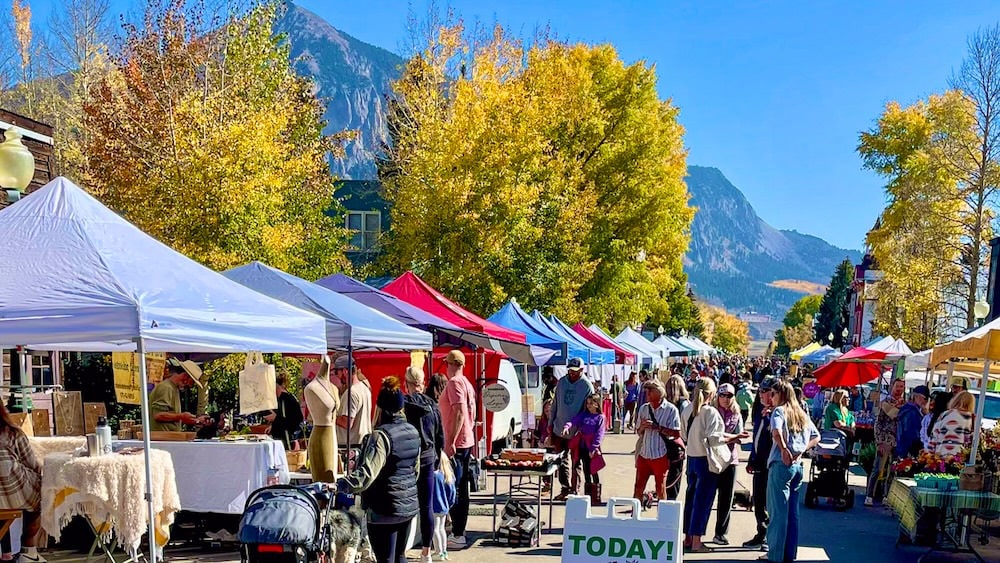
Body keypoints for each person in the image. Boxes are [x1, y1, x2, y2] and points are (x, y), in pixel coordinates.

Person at [338, 377, 420, 563]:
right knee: (400, 556)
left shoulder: (381, 436)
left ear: (380, 408)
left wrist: (341, 484)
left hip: (384, 508)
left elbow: (367, 475)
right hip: (407, 506)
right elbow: (416, 470)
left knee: (385, 559)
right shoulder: (412, 431)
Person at [681, 377, 740, 553]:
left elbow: (684, 435)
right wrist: (735, 437)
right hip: (705, 460)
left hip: (691, 458)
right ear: (712, 393)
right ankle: (697, 541)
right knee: (702, 501)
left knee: (690, 500)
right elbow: (715, 438)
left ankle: (688, 538)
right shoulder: (710, 412)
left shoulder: (687, 409)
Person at [764, 380, 820, 563]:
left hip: (782, 464)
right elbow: (816, 436)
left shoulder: (779, 411)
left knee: (778, 513)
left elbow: (776, 431)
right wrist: (803, 449)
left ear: (780, 394)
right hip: (798, 466)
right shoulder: (801, 413)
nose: (771, 398)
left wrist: (783, 449)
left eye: (773, 394)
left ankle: (775, 556)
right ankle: (789, 554)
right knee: (792, 514)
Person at [403, 366, 444, 563]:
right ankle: (426, 552)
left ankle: (401, 549)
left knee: (404, 505)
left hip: (407, 459)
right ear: (423, 382)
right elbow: (440, 435)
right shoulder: (433, 405)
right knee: (426, 506)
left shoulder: (403, 404)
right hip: (428, 458)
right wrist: (437, 457)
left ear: (406, 384)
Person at [438, 350, 476, 550]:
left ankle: (458, 533)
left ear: (451, 364)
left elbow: (459, 411)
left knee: (455, 488)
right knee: (461, 488)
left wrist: (450, 441)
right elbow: (470, 411)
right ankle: (459, 530)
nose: (445, 367)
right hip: (466, 441)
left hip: (458, 443)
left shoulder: (454, 383)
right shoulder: (467, 383)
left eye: (446, 363)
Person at [0, 401, 44, 563]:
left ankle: (7, 553)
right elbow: (31, 463)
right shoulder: (12, 433)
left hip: (4, 498)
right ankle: (28, 548)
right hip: (11, 493)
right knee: (43, 492)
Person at [549, 357, 595, 501]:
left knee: (576, 462)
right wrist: (551, 423)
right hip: (559, 428)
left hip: (577, 431)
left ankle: (575, 490)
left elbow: (589, 409)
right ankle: (565, 487)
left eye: (575, 371)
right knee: (561, 460)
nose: (572, 373)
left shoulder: (587, 386)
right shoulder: (562, 382)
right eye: (570, 370)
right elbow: (555, 404)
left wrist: (584, 429)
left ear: (582, 370)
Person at [633, 380, 681, 503]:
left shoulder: (671, 410)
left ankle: (662, 517)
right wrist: (642, 427)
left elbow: (676, 433)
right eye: (646, 390)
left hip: (660, 455)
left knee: (660, 488)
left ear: (660, 392)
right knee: (638, 487)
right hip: (644, 454)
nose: (647, 394)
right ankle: (634, 515)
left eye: (650, 390)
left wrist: (657, 427)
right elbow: (639, 432)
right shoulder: (644, 408)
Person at [744, 377, 777, 550]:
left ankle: (768, 537)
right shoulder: (759, 410)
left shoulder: (778, 412)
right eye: (761, 391)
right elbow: (756, 437)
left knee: (768, 501)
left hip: (771, 463)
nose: (761, 395)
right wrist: (752, 458)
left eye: (765, 392)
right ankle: (761, 532)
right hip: (758, 461)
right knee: (758, 500)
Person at [712, 383, 745, 546]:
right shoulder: (711, 411)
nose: (725, 398)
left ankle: (720, 533)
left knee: (726, 499)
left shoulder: (736, 413)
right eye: (722, 395)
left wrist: (731, 438)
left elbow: (739, 436)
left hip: (730, 459)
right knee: (707, 497)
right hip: (711, 459)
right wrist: (731, 437)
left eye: (729, 396)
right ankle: (695, 535)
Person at [865, 378, 904, 507]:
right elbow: (878, 423)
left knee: (893, 471)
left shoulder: (905, 405)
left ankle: (886, 496)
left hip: (898, 442)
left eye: (902, 387)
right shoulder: (885, 403)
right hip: (885, 440)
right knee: (878, 469)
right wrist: (879, 442)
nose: (899, 389)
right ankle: (870, 495)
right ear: (892, 387)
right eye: (897, 386)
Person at [563, 393, 606, 502]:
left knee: (594, 470)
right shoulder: (584, 415)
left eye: (591, 403)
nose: (589, 405)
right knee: (586, 470)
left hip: (592, 447)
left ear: (597, 404)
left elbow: (600, 434)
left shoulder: (600, 417)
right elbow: (574, 420)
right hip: (582, 446)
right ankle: (588, 494)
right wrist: (567, 426)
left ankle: (596, 494)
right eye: (588, 403)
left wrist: (593, 448)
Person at [304, 355, 340, 483]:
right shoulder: (311, 388)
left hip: (332, 437)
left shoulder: (334, 388)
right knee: (321, 484)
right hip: (319, 438)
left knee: (332, 482)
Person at [149, 359, 210, 432]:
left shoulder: (174, 388)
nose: (190, 386)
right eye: (192, 382)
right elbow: (158, 415)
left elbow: (171, 417)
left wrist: (196, 420)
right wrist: (181, 416)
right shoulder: (166, 388)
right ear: (185, 376)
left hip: (168, 439)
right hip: (162, 440)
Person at [335, 355, 373, 449]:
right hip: (362, 444)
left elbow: (347, 423)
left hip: (350, 447)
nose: (337, 376)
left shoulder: (351, 393)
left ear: (345, 371)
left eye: (337, 372)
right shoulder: (364, 389)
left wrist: (329, 416)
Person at [664, 375, 691, 500]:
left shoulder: (664, 403)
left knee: (665, 472)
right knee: (675, 473)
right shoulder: (685, 404)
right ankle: (670, 498)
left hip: (664, 441)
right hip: (678, 443)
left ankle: (663, 495)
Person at [265, 371, 304, 450]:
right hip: (282, 441)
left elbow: (295, 421)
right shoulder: (282, 399)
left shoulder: (287, 399)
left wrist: (275, 418)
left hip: (287, 443)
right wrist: (272, 426)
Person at [929, 391, 976, 457]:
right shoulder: (972, 418)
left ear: (955, 400)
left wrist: (930, 454)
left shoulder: (944, 414)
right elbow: (972, 440)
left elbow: (934, 435)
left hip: (940, 455)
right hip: (959, 457)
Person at [431, 455, 457, 561]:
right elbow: (452, 493)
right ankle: (444, 551)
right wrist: (449, 505)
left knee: (435, 529)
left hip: (434, 506)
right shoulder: (447, 475)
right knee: (442, 529)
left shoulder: (433, 475)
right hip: (444, 506)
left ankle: (438, 551)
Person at [895, 385, 929, 459]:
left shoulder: (909, 409)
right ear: (916, 397)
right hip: (908, 450)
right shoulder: (911, 412)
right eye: (925, 398)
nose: (926, 401)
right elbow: (912, 434)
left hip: (902, 448)